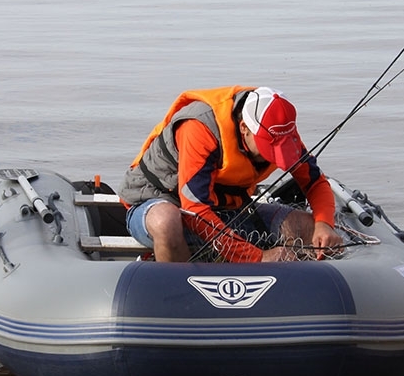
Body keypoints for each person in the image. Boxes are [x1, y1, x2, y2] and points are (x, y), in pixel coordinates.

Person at [118, 85, 341, 263]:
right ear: (245, 128)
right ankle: (180, 295)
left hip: (225, 209)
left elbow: (315, 183)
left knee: (308, 227)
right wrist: (257, 258)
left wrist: (324, 224)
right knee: (165, 220)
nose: (273, 156)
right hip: (163, 204)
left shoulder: (281, 130)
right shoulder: (199, 128)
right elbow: (193, 209)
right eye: (268, 147)